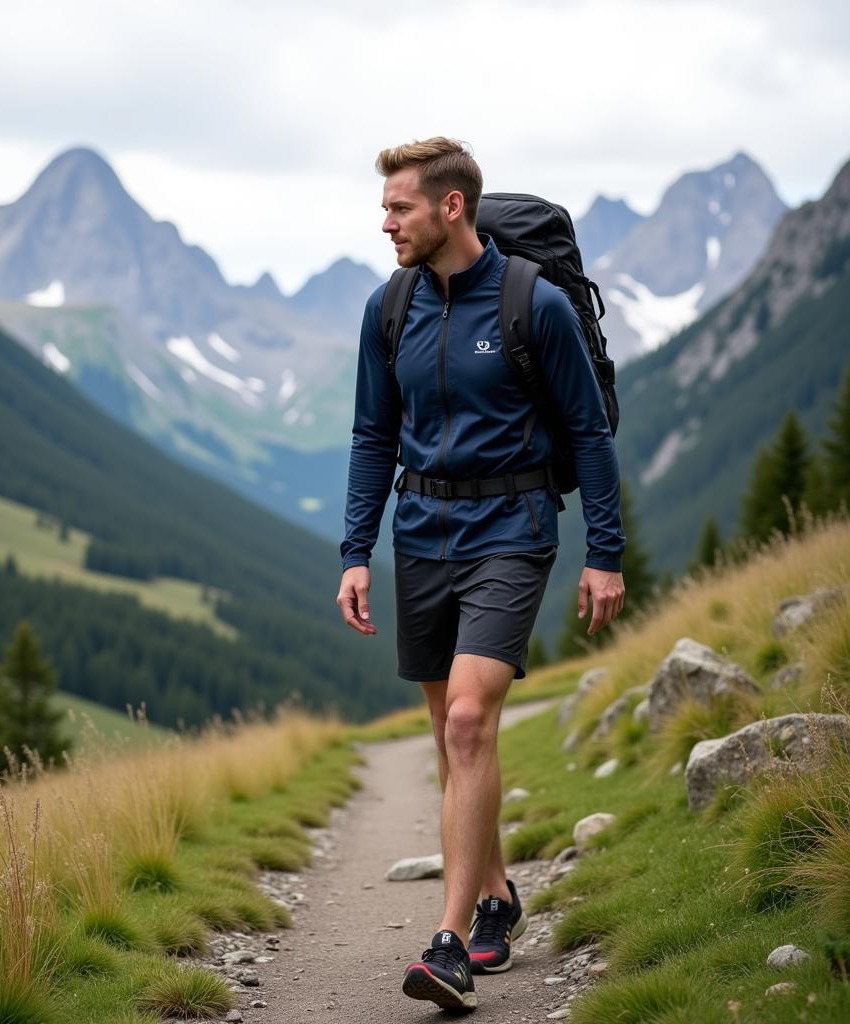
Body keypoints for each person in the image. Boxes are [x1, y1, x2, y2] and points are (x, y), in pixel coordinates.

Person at [336, 138, 625, 1012]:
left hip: (514, 528)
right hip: (421, 535)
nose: (384, 222)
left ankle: (450, 943)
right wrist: (356, 550)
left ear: (450, 207)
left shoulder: (534, 305)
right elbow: (371, 437)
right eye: (385, 207)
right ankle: (497, 895)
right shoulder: (389, 309)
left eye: (399, 208)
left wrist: (604, 554)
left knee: (468, 720)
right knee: (451, 735)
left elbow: (590, 435)